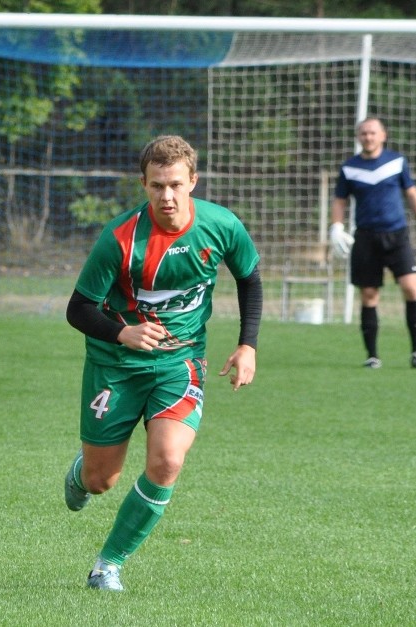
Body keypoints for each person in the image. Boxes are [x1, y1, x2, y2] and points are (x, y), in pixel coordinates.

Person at [63, 135, 262, 592]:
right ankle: (81, 471)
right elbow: (78, 309)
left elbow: (249, 278)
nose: (166, 196)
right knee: (100, 481)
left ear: (193, 180)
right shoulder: (119, 239)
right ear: (143, 184)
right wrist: (123, 332)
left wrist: (247, 344)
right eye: (156, 186)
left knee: (168, 460)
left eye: (175, 184)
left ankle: (107, 565)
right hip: (116, 365)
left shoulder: (222, 225)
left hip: (182, 364)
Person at [328, 117, 416, 370]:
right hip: (366, 237)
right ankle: (372, 356)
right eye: (364, 133)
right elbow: (340, 200)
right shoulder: (349, 168)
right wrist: (336, 226)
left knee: (412, 288)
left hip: (397, 236)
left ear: (383, 135)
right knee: (368, 295)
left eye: (373, 133)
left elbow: (411, 193)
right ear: (359, 137)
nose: (368, 137)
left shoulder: (397, 162)